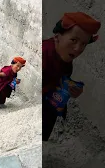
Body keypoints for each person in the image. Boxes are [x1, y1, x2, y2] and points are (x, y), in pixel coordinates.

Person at [43, 12, 101, 141]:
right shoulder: (43, 54)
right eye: (73, 40)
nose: (78, 49)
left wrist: (69, 89)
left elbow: (58, 81)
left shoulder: (65, 57)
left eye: (84, 44)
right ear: (57, 36)